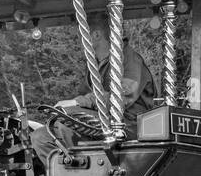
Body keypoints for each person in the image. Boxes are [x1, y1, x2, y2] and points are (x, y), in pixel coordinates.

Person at [30, 33, 157, 165]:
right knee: (41, 136)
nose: (78, 37)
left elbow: (121, 97)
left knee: (67, 118)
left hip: (129, 124)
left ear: (96, 35)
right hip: (102, 120)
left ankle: (87, 175)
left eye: (80, 32)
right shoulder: (95, 63)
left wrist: (77, 102)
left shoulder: (130, 59)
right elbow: (84, 96)